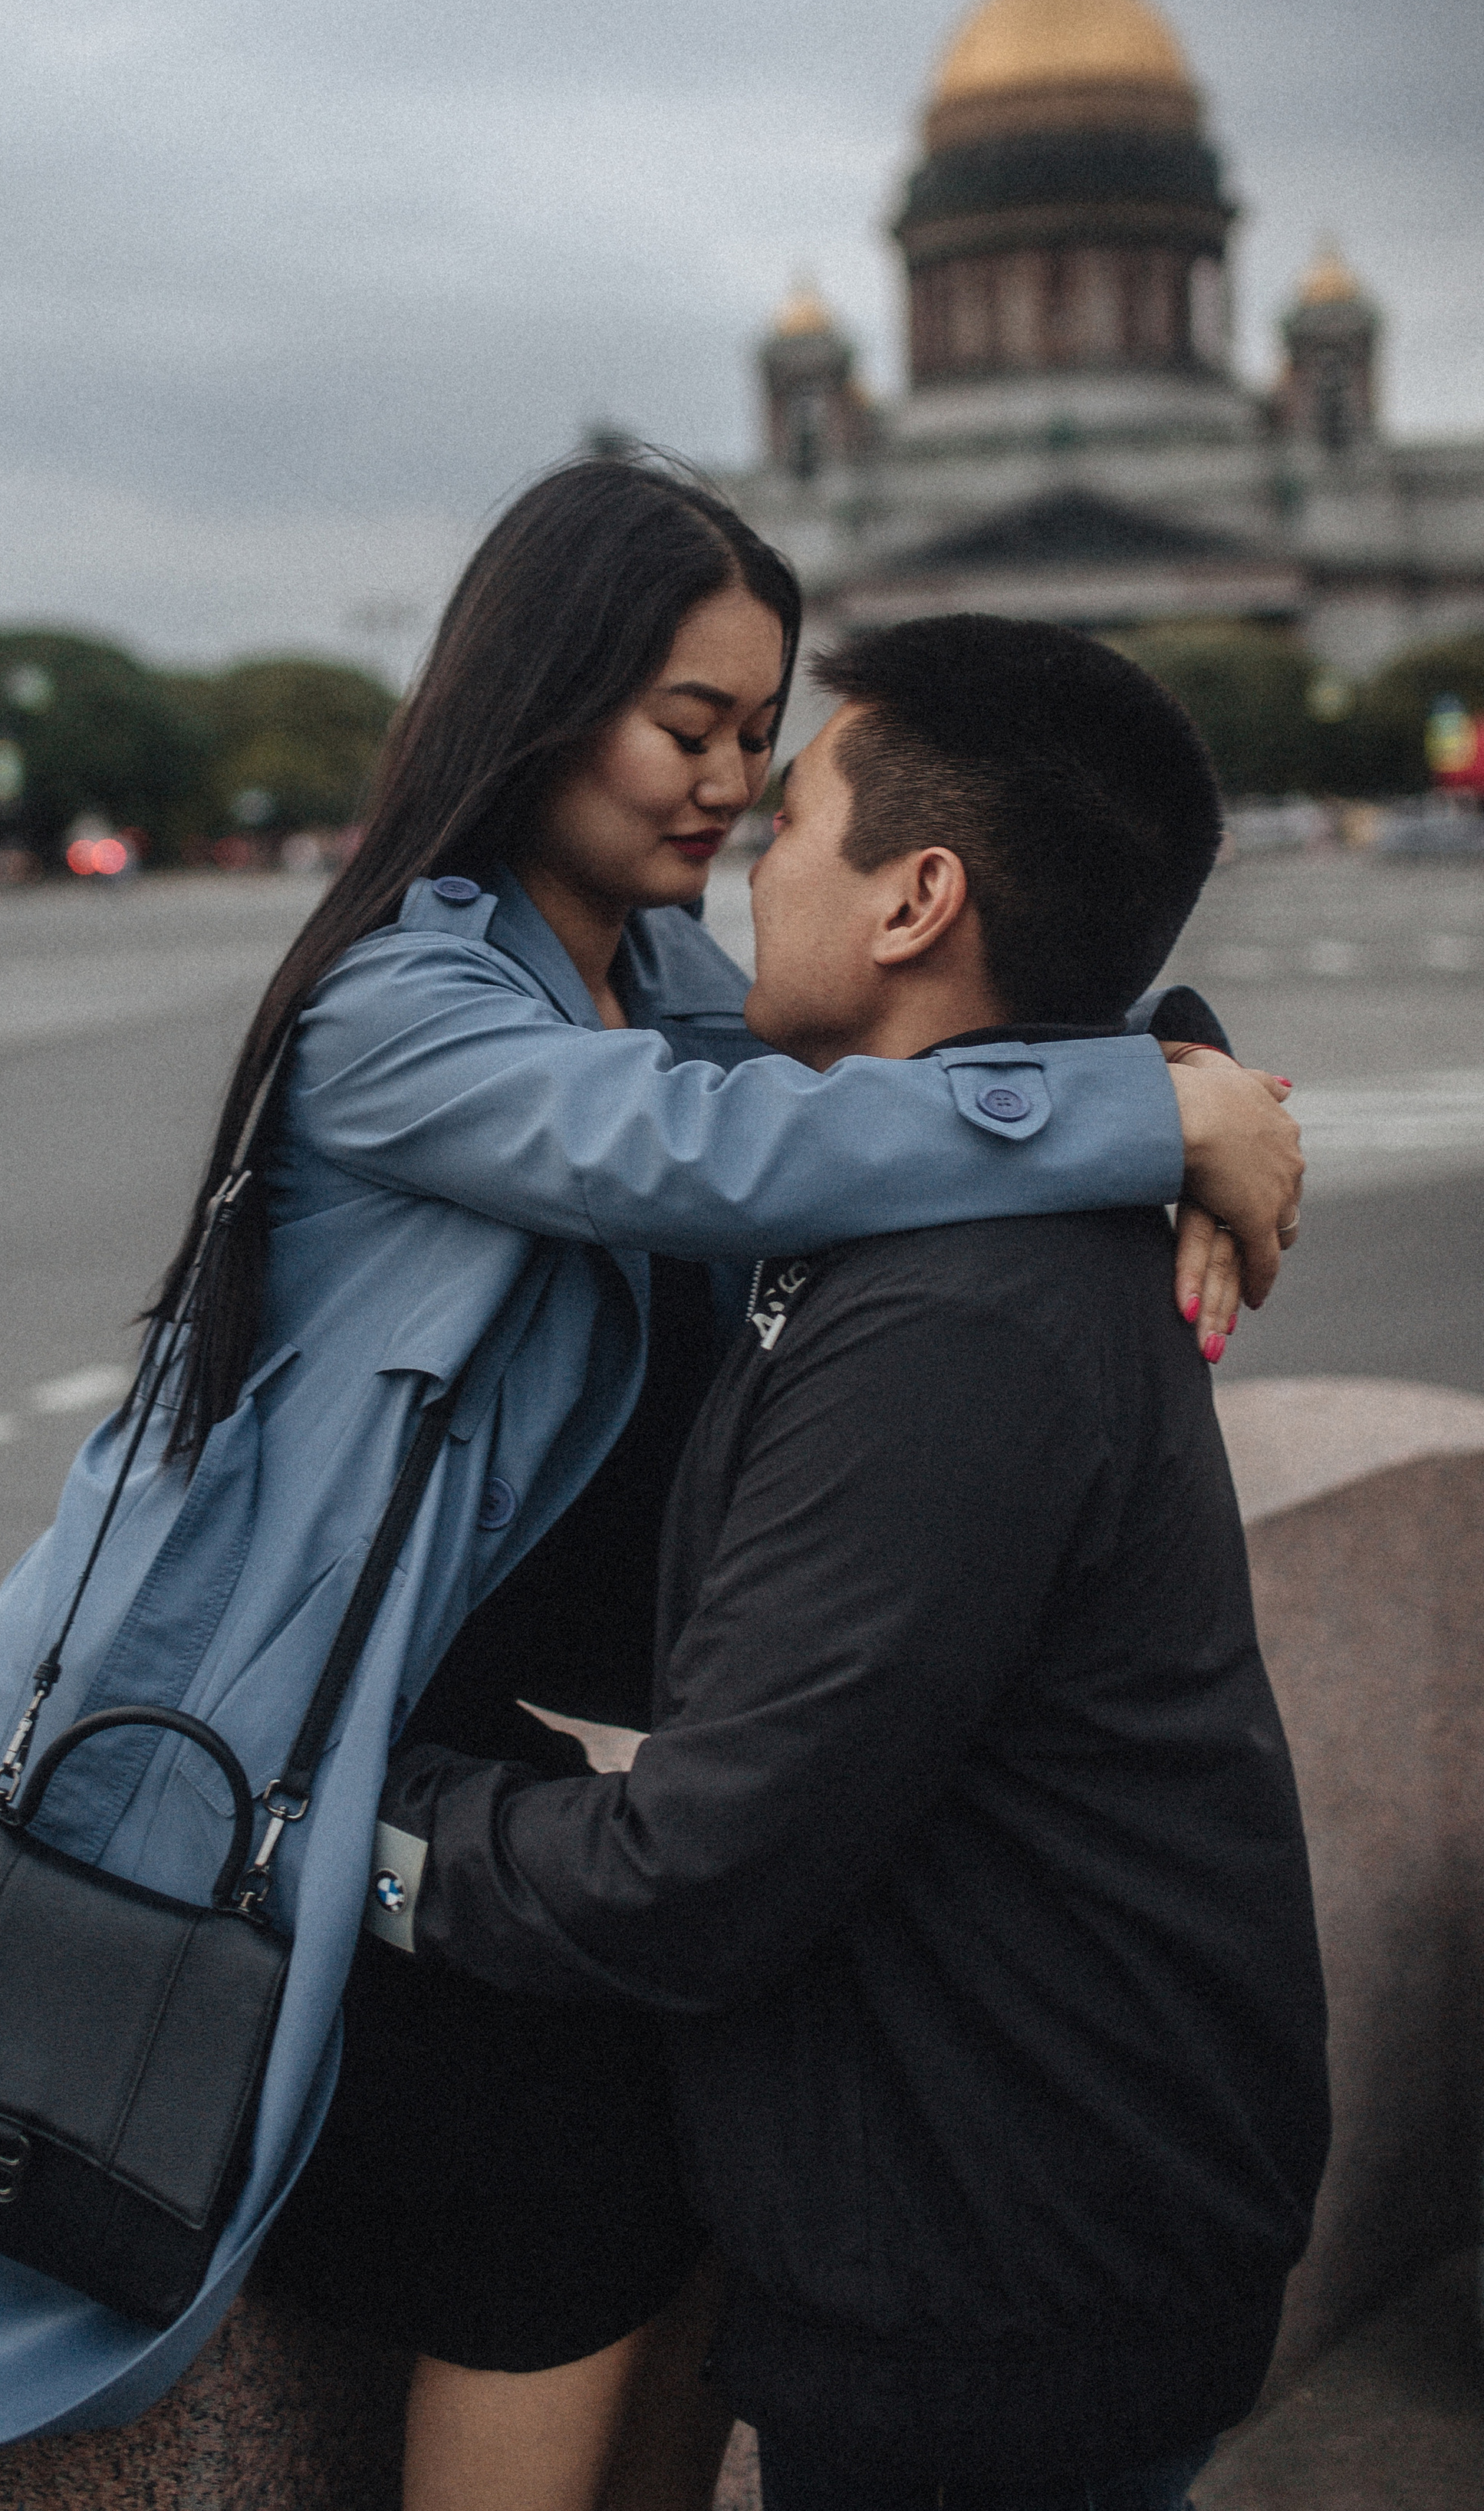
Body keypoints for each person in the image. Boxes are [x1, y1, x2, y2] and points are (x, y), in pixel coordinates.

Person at [0, 469, 1300, 2490]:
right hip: (244, 1728)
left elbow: (931, 1023)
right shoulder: (407, 1004)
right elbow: (710, 1157)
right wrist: (1153, 1103)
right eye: (687, 723)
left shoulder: (678, 983)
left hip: (433, 1734)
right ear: (542, 701)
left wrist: (1167, 1046)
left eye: (757, 734)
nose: (728, 780)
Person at [377, 614, 1330, 2511]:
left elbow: (689, 1878)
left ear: (914, 900)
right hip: (1026, 2201)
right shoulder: (980, 1203)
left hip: (997, 2269)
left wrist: (345, 1832)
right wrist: (1162, 1063)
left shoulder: (954, 1322)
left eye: (793, 801)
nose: (747, 838)